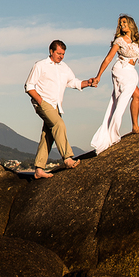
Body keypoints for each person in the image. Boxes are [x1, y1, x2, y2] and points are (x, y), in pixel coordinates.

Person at [24, 40, 97, 178]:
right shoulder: (40, 65)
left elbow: (73, 81)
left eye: (63, 54)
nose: (61, 56)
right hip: (44, 103)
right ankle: (68, 158)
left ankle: (39, 169)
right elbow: (29, 86)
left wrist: (88, 82)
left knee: (48, 134)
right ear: (51, 51)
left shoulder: (64, 67)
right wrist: (40, 101)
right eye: (59, 53)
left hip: (56, 106)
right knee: (59, 124)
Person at [89, 14, 139, 154]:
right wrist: (98, 76)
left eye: (124, 22)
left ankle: (135, 126)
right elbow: (108, 58)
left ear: (131, 24)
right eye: (120, 23)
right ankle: (125, 128)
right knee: (129, 96)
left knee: (137, 96)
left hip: (131, 70)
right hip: (121, 69)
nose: (122, 25)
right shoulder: (119, 40)